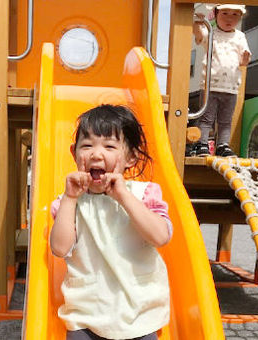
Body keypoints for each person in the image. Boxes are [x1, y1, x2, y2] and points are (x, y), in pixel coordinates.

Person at [50, 105, 173, 340]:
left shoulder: (143, 194)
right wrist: (70, 198)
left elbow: (160, 236)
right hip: (85, 314)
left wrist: (124, 196)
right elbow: (60, 248)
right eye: (87, 146)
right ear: (74, 153)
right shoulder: (69, 202)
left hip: (138, 311)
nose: (96, 154)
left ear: (131, 157)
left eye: (109, 146)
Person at [192, 4, 251, 157]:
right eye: (225, 13)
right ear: (216, 14)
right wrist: (198, 23)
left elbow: (243, 61)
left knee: (225, 120)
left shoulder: (240, 36)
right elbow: (199, 36)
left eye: (235, 15)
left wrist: (245, 58)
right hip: (210, 85)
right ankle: (202, 143)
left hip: (231, 87)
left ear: (240, 17)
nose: (229, 18)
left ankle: (223, 145)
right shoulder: (211, 32)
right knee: (206, 118)